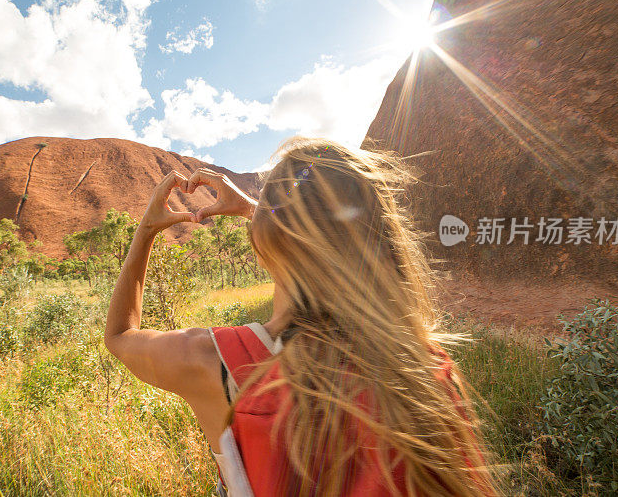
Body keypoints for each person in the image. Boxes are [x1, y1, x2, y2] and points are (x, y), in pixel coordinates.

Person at [105, 137, 497, 496]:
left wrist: (147, 230)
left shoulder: (219, 364)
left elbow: (121, 335)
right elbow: (331, 239)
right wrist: (255, 210)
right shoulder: (427, 367)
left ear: (264, 237)